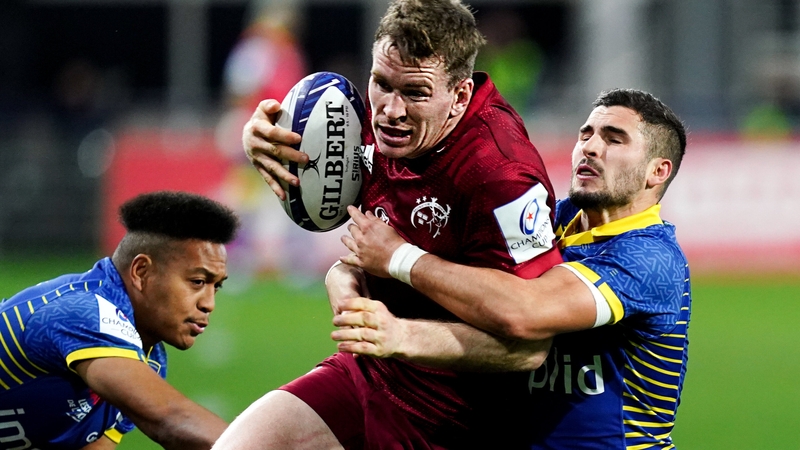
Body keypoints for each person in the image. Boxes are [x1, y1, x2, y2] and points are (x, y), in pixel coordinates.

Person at [213, 0, 562, 448]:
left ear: (458, 95)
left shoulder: (500, 172)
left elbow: (529, 346)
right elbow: (344, 193)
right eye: (381, 83)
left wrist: (400, 286)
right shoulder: (378, 124)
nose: (389, 111)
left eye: (415, 93)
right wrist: (260, 138)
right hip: (369, 375)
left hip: (457, 420)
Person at [333, 88, 691, 448]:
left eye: (614, 140)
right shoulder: (549, 219)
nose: (591, 147)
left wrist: (400, 259)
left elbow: (526, 310)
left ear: (657, 172)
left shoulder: (651, 259)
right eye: (586, 134)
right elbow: (418, 270)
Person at [0, 191, 240, 450]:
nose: (208, 303)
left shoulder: (149, 359)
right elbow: (171, 419)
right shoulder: (83, 312)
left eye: (216, 287)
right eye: (197, 282)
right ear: (141, 272)